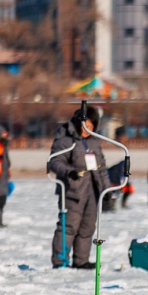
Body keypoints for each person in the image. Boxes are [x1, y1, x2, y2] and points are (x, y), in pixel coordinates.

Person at [48, 108, 110, 269]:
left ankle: (81, 260)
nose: (86, 129)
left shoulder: (94, 143)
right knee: (69, 226)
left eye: (90, 125)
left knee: (87, 226)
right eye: (84, 125)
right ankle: (60, 261)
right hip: (72, 191)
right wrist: (70, 172)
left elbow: (101, 168)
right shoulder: (65, 141)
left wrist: (106, 189)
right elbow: (54, 162)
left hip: (92, 191)